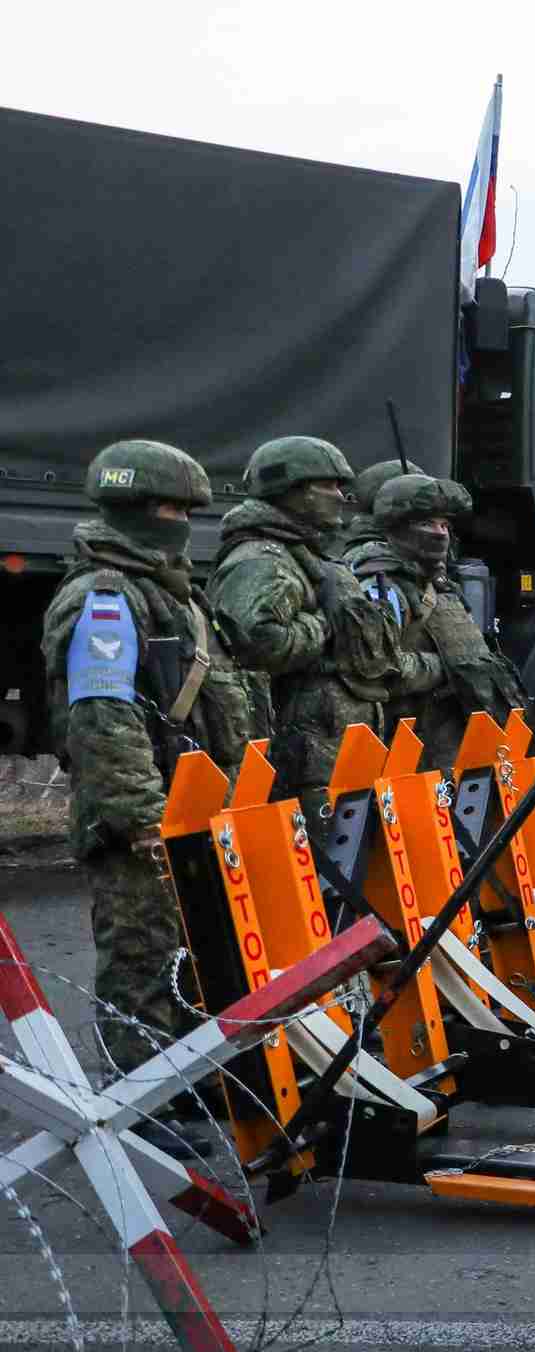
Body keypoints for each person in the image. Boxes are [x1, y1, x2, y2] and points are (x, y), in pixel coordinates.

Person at [41, 441, 261, 1160]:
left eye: (189, 510)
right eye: (171, 509)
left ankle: (181, 1092)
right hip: (145, 821)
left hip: (188, 812)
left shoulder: (171, 590)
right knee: (140, 961)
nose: (182, 522)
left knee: (185, 959)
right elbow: (103, 721)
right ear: (134, 510)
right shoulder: (107, 597)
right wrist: (143, 819)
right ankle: (139, 1111)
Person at [208, 436, 399, 806]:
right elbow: (256, 642)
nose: (340, 496)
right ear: (290, 491)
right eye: (327, 485)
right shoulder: (263, 559)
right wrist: (325, 625)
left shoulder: (307, 555)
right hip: (302, 757)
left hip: (332, 750)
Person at [346, 474, 529, 770]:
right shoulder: (382, 585)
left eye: (444, 525)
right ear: (398, 528)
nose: (440, 533)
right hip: (411, 750)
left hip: (457, 743)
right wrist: (445, 669)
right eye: (426, 524)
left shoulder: (440, 584)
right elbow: (376, 669)